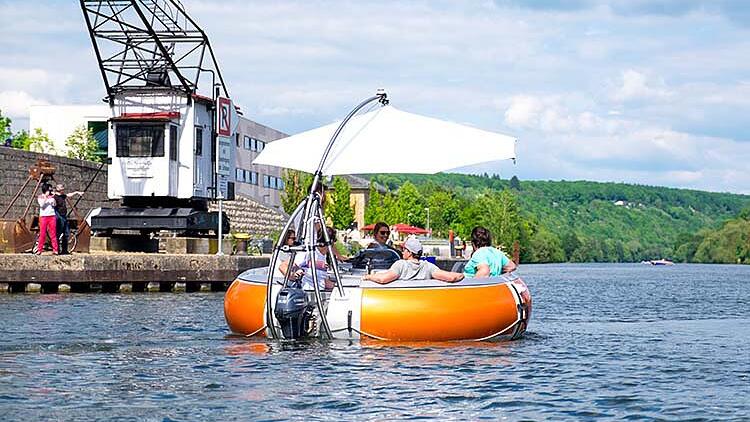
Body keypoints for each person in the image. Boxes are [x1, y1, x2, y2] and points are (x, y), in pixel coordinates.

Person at [362, 237, 464, 284]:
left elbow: (383, 279)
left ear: (410, 252)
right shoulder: (428, 266)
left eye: (404, 250)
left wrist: (369, 277)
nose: (402, 252)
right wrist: (463, 275)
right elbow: (451, 277)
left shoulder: (401, 265)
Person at [279, 226, 336, 291]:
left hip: (318, 294)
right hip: (306, 293)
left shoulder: (323, 257)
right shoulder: (307, 254)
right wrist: (293, 276)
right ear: (331, 242)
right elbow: (283, 266)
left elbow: (323, 281)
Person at [53, 183, 83, 255]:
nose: (63, 190)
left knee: (66, 233)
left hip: (64, 216)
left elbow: (69, 195)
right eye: (62, 189)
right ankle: (57, 250)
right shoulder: (55, 197)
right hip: (59, 216)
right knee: (58, 233)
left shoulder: (63, 196)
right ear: (59, 189)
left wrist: (76, 192)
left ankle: (64, 250)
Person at [36, 183, 59, 255]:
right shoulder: (40, 197)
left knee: (53, 233)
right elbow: (42, 205)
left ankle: (55, 250)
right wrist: (46, 197)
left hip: (52, 216)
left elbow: (54, 205)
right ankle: (39, 249)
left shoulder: (51, 197)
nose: (50, 191)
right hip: (43, 216)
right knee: (42, 233)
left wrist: (53, 199)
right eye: (49, 190)